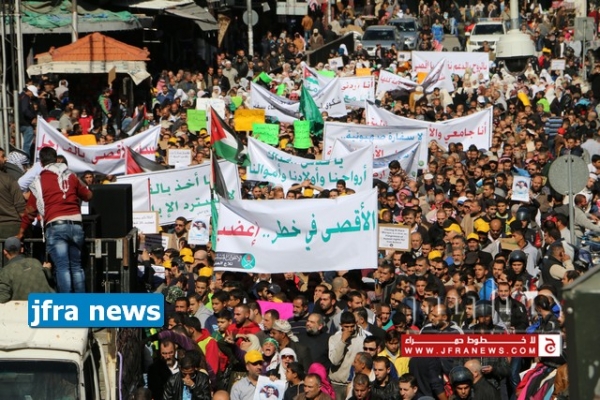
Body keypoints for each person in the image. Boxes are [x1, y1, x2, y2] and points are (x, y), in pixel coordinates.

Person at [19, 147, 93, 293]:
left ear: (41, 163)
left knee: (62, 267)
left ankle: (66, 303)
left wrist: (21, 232)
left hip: (55, 226)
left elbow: (30, 212)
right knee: (76, 267)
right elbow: (88, 195)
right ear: (56, 159)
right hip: (76, 225)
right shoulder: (71, 176)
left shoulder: (39, 181)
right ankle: (81, 302)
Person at [0, 236, 54, 302]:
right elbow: (48, 276)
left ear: (5, 252)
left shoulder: (5, 272)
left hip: (24, 306)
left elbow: (3, 297)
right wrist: (47, 269)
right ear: (22, 249)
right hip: (48, 303)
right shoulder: (35, 262)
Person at [0, 148, 26, 240]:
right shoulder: (8, 179)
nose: (6, 159)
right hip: (12, 227)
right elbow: (20, 206)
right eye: (2, 156)